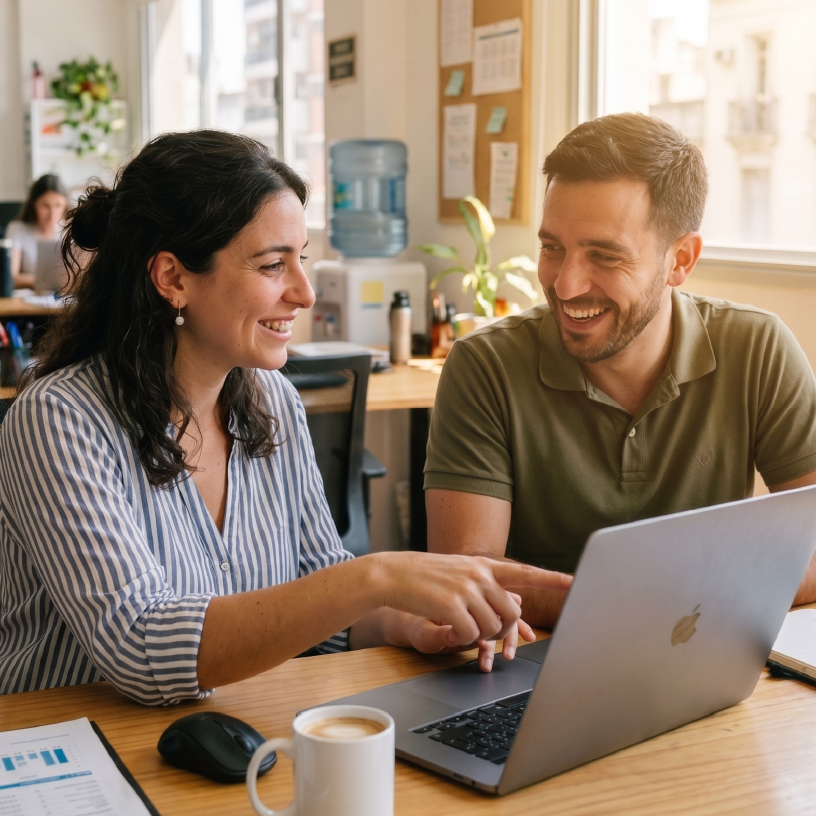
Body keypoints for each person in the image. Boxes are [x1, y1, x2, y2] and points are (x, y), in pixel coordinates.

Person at [0, 131, 571, 705]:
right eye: (274, 264)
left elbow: (321, 611)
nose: (304, 292)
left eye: (302, 259)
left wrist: (406, 624)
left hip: (234, 735)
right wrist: (375, 576)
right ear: (173, 278)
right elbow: (143, 648)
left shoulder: (271, 399)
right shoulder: (57, 421)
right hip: (71, 755)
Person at [425, 112, 816, 630]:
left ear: (680, 259)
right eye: (552, 248)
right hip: (537, 664)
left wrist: (650, 607)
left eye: (605, 256)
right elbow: (468, 577)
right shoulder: (484, 366)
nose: (565, 285)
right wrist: (673, 603)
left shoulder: (758, 348)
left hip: (703, 654)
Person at [6, 173, 68, 289]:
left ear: (65, 205)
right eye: (45, 205)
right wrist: (48, 281)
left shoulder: (71, 231)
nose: (52, 213)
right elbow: (10, 277)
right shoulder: (17, 229)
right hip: (28, 301)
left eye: (58, 205)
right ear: (34, 204)